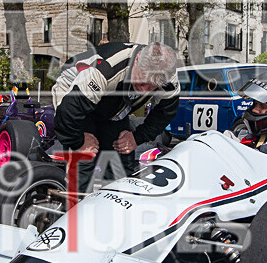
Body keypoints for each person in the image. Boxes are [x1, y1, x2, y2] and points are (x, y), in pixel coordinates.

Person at [52, 41, 180, 191]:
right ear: (137, 59)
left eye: (151, 86)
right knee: (85, 158)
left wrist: (136, 137)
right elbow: (68, 113)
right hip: (74, 93)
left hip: (113, 99)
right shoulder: (106, 68)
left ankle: (114, 203)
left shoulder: (167, 76)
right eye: (142, 81)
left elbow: (165, 113)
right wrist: (78, 141)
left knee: (121, 156)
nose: (144, 89)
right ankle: (75, 207)